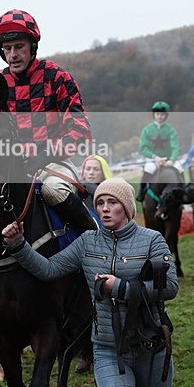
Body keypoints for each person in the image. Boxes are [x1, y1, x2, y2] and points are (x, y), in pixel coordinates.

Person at [2, 178, 178, 387]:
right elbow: (50, 269)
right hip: (110, 350)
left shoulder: (152, 239)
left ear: (126, 206)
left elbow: (169, 287)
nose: (106, 209)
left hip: (152, 346)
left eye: (112, 203)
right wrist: (19, 245)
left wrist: (121, 288)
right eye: (100, 204)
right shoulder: (87, 243)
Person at [0, 10, 97, 234]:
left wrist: (48, 151)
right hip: (14, 168)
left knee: (53, 191)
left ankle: (96, 238)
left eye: (19, 47)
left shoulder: (57, 77)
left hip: (53, 163)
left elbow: (80, 130)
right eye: (7, 49)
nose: (13, 55)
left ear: (32, 47)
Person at [74, 154, 112, 374]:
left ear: (103, 172)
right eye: (87, 169)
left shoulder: (108, 195)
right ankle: (85, 351)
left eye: (94, 169)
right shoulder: (76, 194)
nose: (90, 173)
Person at [136, 102, 183, 202]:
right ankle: (142, 192)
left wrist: (172, 160)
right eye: (157, 114)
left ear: (166, 116)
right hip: (153, 159)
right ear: (154, 115)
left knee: (180, 169)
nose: (159, 117)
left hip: (168, 159)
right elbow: (143, 148)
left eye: (162, 114)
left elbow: (175, 147)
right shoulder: (147, 130)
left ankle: (183, 194)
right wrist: (155, 157)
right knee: (148, 169)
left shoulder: (171, 130)